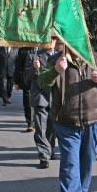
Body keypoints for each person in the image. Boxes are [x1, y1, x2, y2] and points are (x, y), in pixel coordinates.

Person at [38, 46, 97, 192]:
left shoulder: (96, 58)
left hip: (93, 119)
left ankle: (82, 189)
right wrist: (55, 71)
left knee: (88, 160)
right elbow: (41, 81)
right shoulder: (57, 60)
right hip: (66, 122)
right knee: (70, 164)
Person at [25, 36, 62, 169]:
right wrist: (35, 68)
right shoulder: (33, 56)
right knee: (41, 128)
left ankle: (50, 149)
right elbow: (27, 77)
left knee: (52, 128)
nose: (51, 42)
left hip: (55, 97)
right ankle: (43, 155)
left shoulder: (61, 56)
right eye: (49, 39)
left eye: (53, 39)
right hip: (40, 96)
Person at [14, 47, 35, 132]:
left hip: (42, 80)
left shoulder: (44, 47)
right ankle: (30, 123)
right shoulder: (23, 50)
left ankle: (38, 121)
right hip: (27, 81)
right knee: (27, 102)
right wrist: (17, 82)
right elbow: (18, 66)